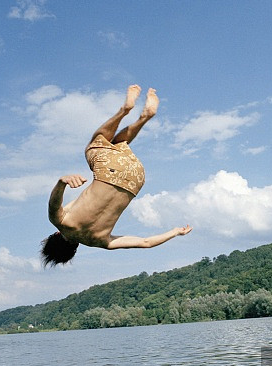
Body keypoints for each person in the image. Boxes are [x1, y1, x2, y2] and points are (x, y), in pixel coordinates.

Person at [41, 85, 191, 266]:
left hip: (136, 177)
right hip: (108, 171)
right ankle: (125, 111)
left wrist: (176, 232)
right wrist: (62, 182)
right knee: (96, 143)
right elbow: (54, 203)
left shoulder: (102, 241)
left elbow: (146, 243)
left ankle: (145, 116)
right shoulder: (60, 221)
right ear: (55, 235)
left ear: (74, 249)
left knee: (119, 144)